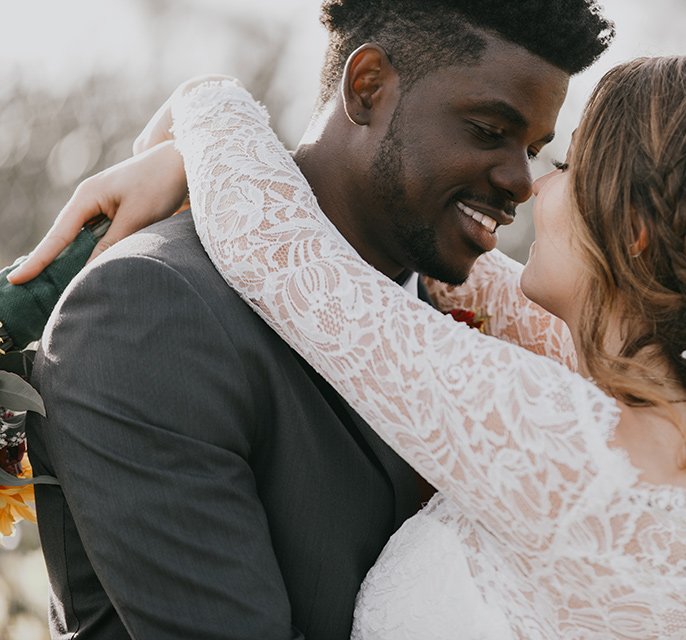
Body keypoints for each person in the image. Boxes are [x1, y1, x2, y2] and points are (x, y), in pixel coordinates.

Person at [35, 55, 686, 636]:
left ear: (637, 242)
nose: (530, 190)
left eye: (566, 165)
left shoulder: (579, 456)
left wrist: (204, 104)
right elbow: (469, 283)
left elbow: (293, 263)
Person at [6, 2, 614, 638]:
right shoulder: (149, 310)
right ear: (368, 86)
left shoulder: (474, 324)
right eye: (490, 131)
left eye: (536, 149)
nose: (522, 181)